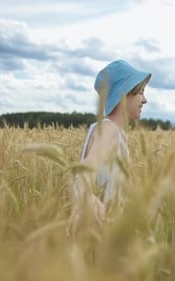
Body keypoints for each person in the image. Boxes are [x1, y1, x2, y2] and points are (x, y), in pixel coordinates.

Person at [72, 59, 151, 228]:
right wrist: (100, 214)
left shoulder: (103, 128)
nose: (144, 100)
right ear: (123, 95)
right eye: (140, 93)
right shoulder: (109, 131)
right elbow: (83, 179)